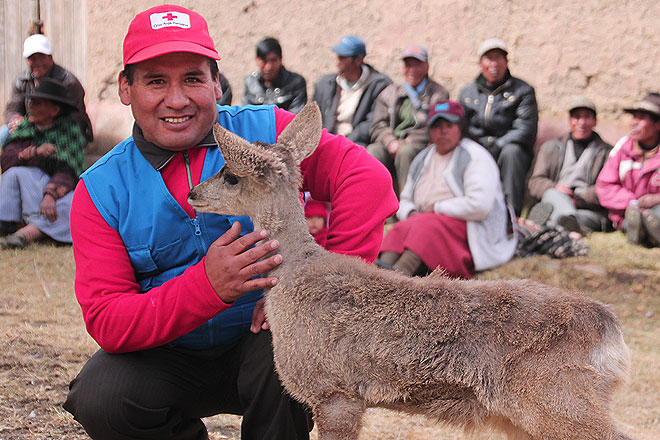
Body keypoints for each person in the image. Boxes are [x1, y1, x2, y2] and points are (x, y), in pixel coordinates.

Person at [61, 5, 398, 440]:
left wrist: (318, 290)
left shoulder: (265, 135)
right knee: (101, 395)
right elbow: (107, 317)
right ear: (126, 88)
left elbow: (365, 178)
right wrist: (207, 287)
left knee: (291, 351)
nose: (177, 99)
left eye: (193, 79)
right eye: (156, 81)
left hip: (264, 345)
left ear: (217, 84)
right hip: (167, 358)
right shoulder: (100, 189)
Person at [377, 100, 517, 279]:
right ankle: (381, 273)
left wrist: (437, 208)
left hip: (468, 228)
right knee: (401, 228)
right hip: (424, 222)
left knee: (426, 229)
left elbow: (480, 206)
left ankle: (398, 277)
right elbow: (405, 199)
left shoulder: (475, 157)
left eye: (449, 126)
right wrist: (411, 212)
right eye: (436, 126)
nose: (442, 132)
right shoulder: (422, 159)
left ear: (460, 128)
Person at [0, 78, 86, 249]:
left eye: (38, 103)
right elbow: (6, 160)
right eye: (31, 102)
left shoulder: (69, 131)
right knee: (13, 173)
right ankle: (9, 224)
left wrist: (51, 195)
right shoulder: (24, 129)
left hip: (57, 194)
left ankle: (27, 234)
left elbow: (68, 170)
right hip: (30, 196)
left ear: (54, 110)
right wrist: (34, 152)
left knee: (75, 206)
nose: (31, 106)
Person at [458, 38, 538, 216]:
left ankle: (511, 215)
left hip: (507, 148)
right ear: (480, 63)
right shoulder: (467, 92)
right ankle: (462, 210)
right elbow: (461, 127)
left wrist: (497, 145)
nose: (494, 63)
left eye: (498, 58)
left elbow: (524, 129)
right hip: (477, 146)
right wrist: (479, 146)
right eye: (489, 58)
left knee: (513, 153)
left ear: (506, 62)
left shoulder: (523, 91)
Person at [367, 45, 449, 195]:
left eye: (417, 65)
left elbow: (437, 125)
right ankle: (378, 206)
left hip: (419, 144)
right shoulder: (389, 93)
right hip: (393, 143)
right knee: (373, 151)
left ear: (427, 67)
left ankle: (406, 207)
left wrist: (408, 141)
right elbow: (378, 125)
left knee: (405, 152)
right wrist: (390, 141)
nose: (412, 70)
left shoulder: (438, 94)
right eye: (408, 65)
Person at [527, 97, 612, 234]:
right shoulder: (551, 147)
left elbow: (607, 188)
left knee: (581, 219)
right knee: (553, 196)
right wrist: (555, 188)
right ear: (570, 121)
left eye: (587, 117)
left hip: (586, 208)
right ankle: (567, 222)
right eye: (577, 117)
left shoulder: (607, 152)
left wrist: (578, 200)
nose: (581, 123)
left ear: (595, 121)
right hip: (555, 198)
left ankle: (554, 223)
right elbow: (535, 182)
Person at [2, 34, 92, 146]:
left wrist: (43, 126)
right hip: (32, 128)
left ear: (50, 58)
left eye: (41, 57)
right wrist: (15, 120)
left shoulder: (68, 82)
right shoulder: (22, 81)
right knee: (4, 133)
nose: (37, 62)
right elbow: (12, 109)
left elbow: (75, 116)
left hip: (65, 129)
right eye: (32, 58)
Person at [596, 92, 660, 247]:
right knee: (632, 219)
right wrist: (633, 203)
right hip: (627, 211)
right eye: (634, 117)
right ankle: (643, 230)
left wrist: (657, 199)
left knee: (656, 215)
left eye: (642, 118)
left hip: (657, 209)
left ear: (658, 124)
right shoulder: (623, 148)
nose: (634, 122)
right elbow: (605, 186)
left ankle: (648, 230)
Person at [313, 35, 391, 146]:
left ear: (358, 60)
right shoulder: (325, 84)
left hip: (357, 144)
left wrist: (343, 143)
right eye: (338, 57)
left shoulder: (379, 85)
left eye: (342, 58)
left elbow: (372, 122)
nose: (337, 63)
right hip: (327, 142)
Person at [242, 37, 307, 113]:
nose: (268, 67)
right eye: (264, 61)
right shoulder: (250, 82)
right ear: (257, 60)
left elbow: (296, 117)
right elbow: (247, 116)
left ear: (281, 59)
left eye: (273, 60)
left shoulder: (295, 83)